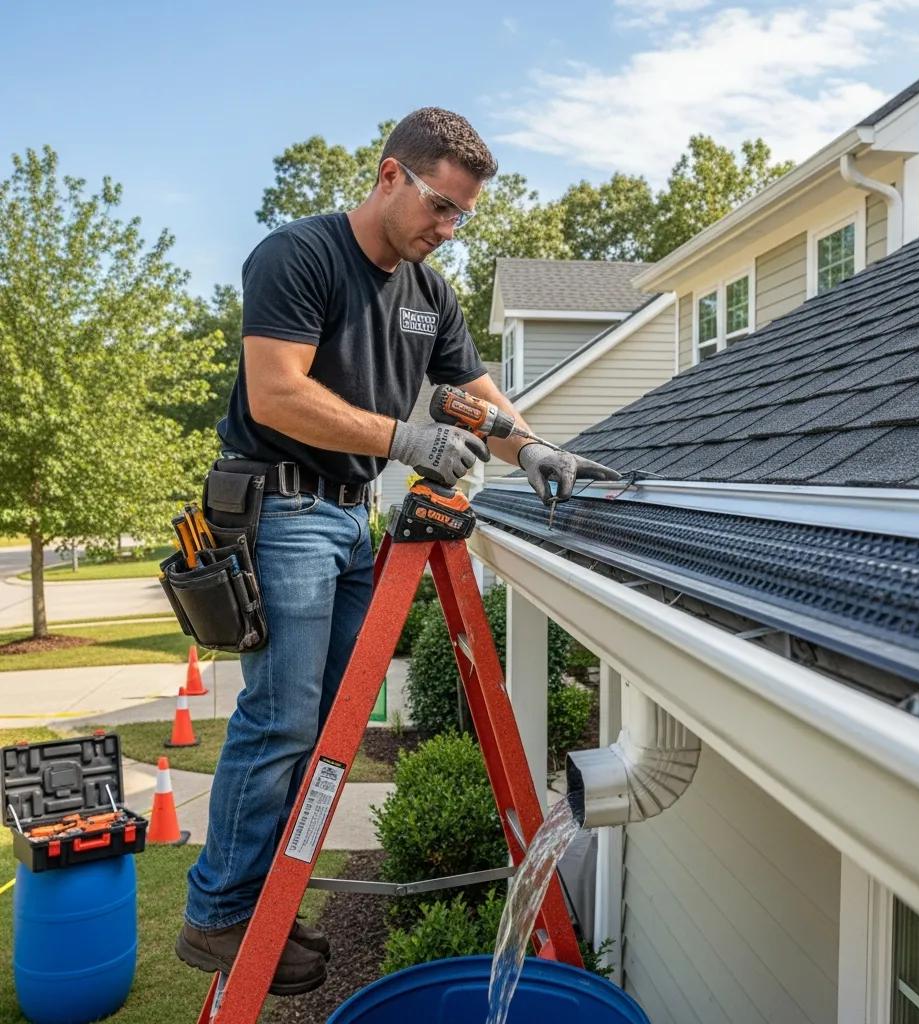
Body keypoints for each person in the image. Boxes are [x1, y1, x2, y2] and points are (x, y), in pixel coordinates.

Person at [175, 107, 617, 995]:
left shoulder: (429, 294)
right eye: (440, 206)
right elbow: (274, 396)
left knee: (329, 729)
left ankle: (264, 898)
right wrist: (404, 440)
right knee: (283, 717)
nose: (448, 228)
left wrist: (532, 447)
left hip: (348, 519)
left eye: (462, 216)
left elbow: (480, 395)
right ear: (390, 176)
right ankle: (218, 913)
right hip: (284, 509)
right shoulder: (297, 256)